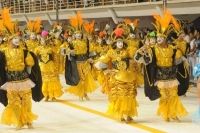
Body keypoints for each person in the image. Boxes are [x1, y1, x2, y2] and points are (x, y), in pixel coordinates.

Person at [135, 10, 189, 122]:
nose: (158, 39)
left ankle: (173, 113)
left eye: (160, 38)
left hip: (172, 77)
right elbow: (140, 59)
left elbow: (180, 56)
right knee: (164, 96)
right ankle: (166, 114)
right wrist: (143, 49)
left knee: (173, 95)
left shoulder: (172, 49)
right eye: (157, 38)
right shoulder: (153, 49)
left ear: (165, 38)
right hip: (160, 77)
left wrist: (182, 47)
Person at [0, 8, 43, 130]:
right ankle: (19, 121)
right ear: (9, 40)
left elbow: (30, 64)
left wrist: (29, 73)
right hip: (11, 81)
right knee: (14, 102)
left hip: (24, 80)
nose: (17, 40)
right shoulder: (3, 52)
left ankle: (28, 120)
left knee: (26, 101)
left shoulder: (24, 51)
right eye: (14, 39)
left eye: (18, 39)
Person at [95, 27, 139, 123]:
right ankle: (122, 113)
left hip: (128, 76)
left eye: (122, 42)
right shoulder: (111, 52)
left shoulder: (127, 51)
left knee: (130, 95)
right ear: (115, 43)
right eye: (118, 42)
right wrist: (106, 70)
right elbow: (102, 62)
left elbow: (134, 59)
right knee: (120, 95)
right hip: (116, 77)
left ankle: (129, 114)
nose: (120, 44)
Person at [65, 12, 97, 101]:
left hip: (85, 62)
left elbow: (90, 51)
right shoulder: (72, 43)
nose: (78, 35)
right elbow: (63, 50)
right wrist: (70, 51)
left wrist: (92, 58)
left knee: (86, 78)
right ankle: (80, 94)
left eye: (80, 33)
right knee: (79, 79)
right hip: (77, 63)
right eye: (77, 34)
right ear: (74, 35)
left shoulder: (85, 42)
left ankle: (85, 93)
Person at [35, 30, 63, 102]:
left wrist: (56, 66)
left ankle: (53, 96)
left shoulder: (51, 48)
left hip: (51, 66)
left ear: (47, 40)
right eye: (41, 39)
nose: (43, 41)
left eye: (44, 39)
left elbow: (56, 56)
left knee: (52, 81)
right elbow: (34, 57)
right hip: (42, 67)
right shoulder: (37, 48)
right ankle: (46, 95)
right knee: (44, 81)